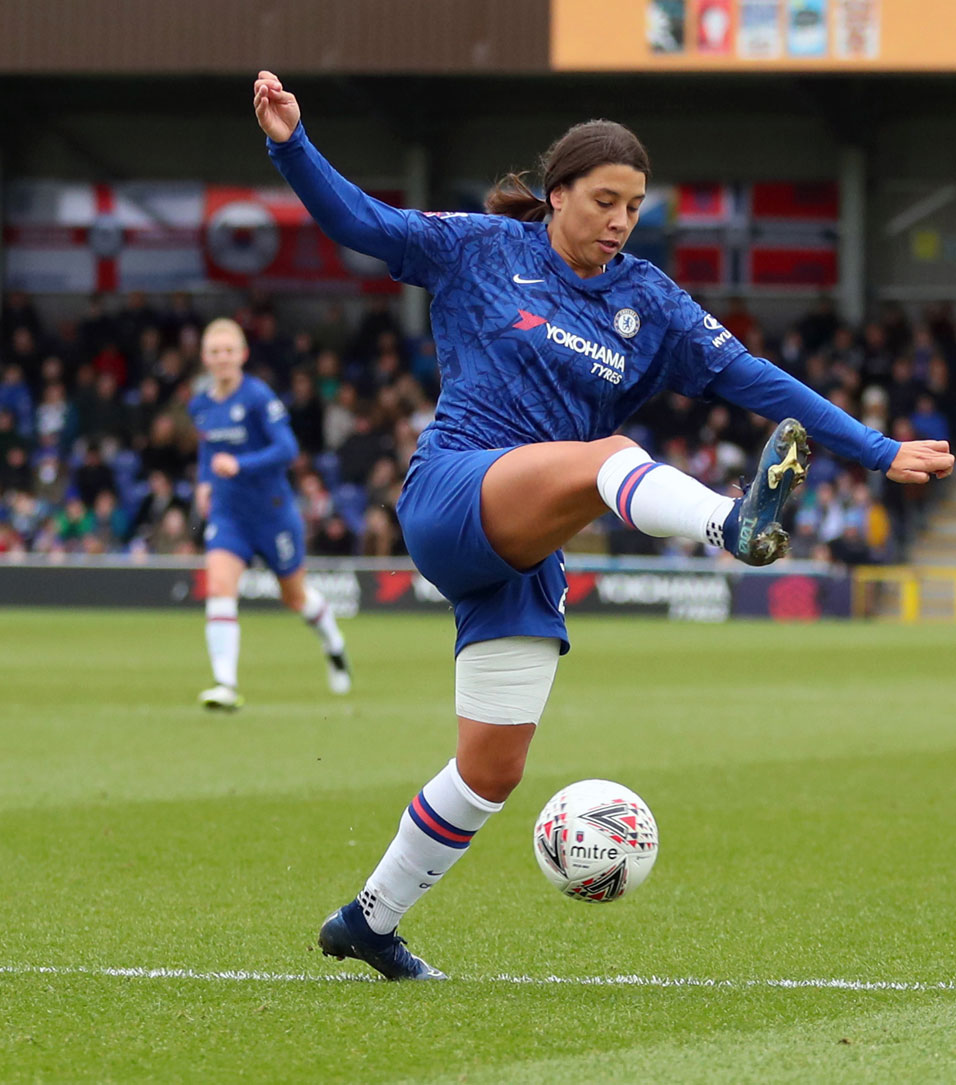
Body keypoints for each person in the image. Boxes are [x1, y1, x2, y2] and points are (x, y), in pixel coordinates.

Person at [254, 70, 953, 980]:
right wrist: (289, 142)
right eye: (605, 200)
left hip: (526, 549)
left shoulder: (650, 301)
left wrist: (871, 446)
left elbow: (757, 381)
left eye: (635, 206)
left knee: (491, 770)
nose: (621, 220)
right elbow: (358, 222)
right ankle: (730, 526)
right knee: (604, 456)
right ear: (558, 195)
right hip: (452, 491)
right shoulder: (479, 248)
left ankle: (370, 920)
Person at [188, 318, 352, 710]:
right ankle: (225, 684)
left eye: (229, 351)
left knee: (294, 597)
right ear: (205, 358)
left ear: (242, 355)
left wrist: (240, 465)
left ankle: (335, 643)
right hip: (229, 515)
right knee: (219, 588)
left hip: (273, 515)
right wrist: (204, 481)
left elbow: (287, 449)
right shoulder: (200, 404)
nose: (222, 358)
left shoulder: (259, 397)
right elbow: (209, 451)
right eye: (215, 352)